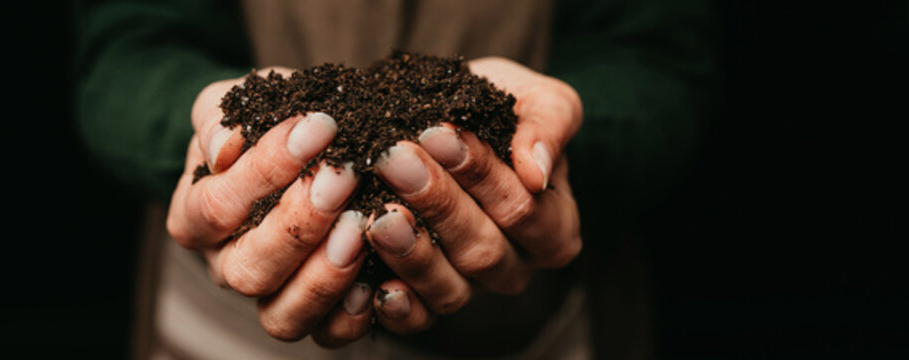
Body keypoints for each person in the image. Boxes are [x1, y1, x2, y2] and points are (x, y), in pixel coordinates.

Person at [74, 0, 714, 358]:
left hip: (531, 323)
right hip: (224, 321)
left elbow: (655, 57)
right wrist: (211, 147)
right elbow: (132, 42)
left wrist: (554, 152)